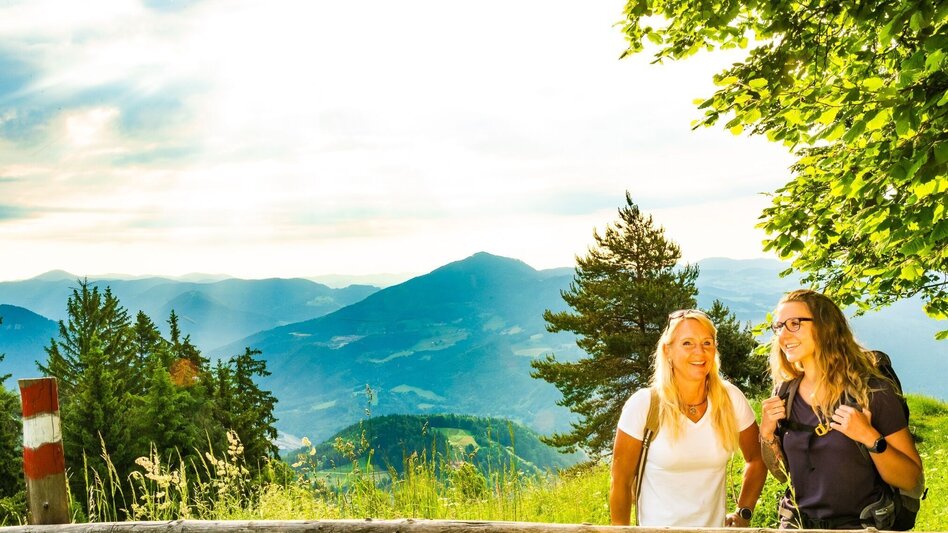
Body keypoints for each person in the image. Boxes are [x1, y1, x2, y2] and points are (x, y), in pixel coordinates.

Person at [759, 289, 924, 529]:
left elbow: (910, 478)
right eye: (779, 326)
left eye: (795, 323)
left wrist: (870, 438)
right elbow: (782, 475)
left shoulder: (872, 392)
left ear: (826, 327)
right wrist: (766, 435)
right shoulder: (784, 393)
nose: (783, 335)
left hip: (861, 526)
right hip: (798, 525)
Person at [610, 309, 767, 527]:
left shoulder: (731, 399)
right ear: (668, 351)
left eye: (707, 343)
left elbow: (757, 459)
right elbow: (621, 482)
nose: (699, 353)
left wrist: (744, 513)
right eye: (687, 343)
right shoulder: (644, 405)